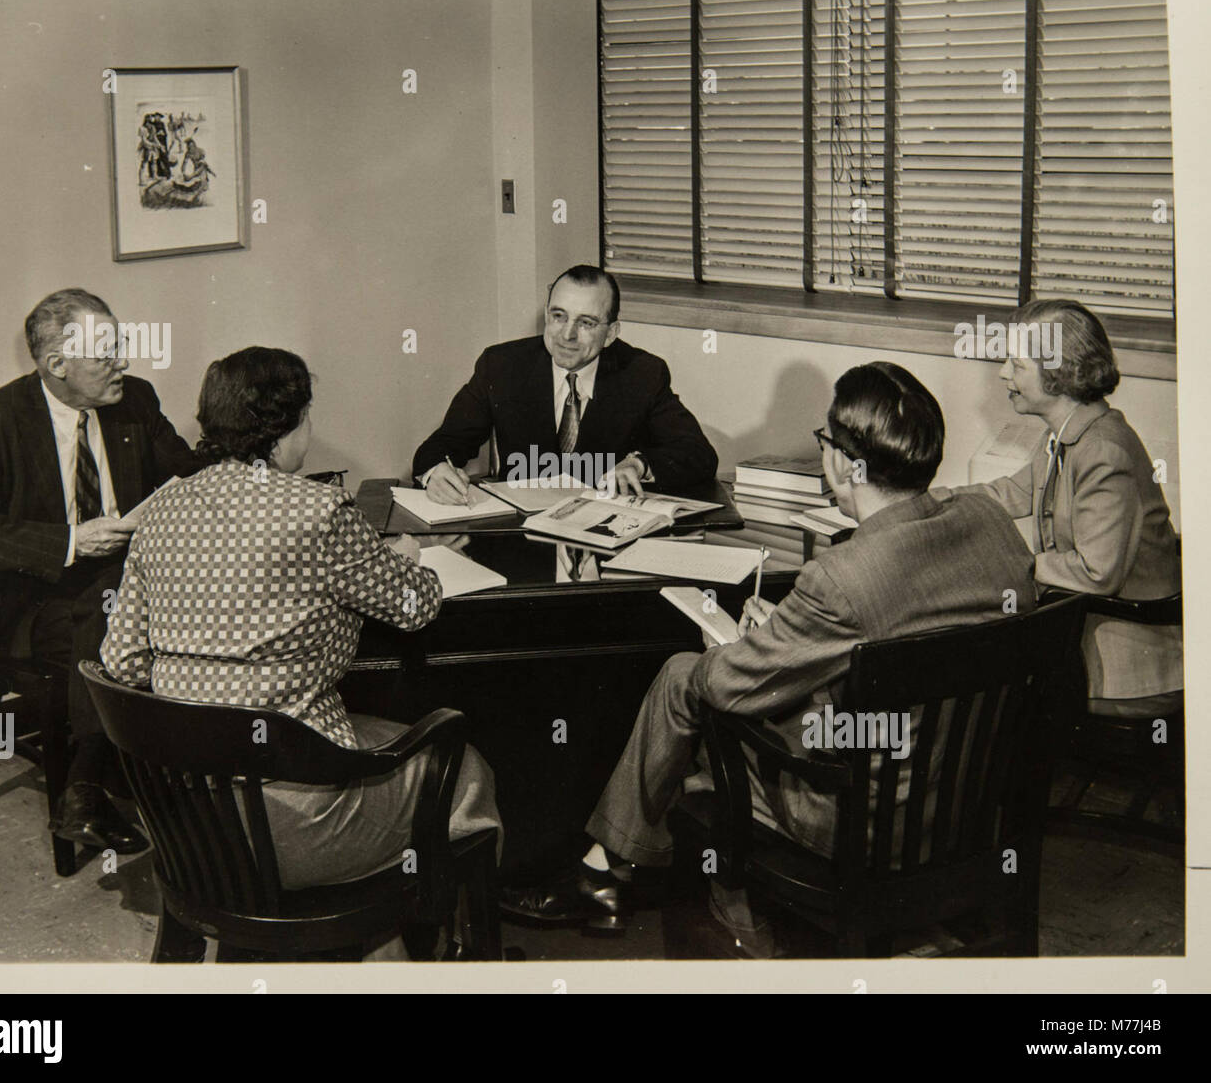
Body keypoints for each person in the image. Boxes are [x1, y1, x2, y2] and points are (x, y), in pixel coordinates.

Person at [499, 362, 1036, 949]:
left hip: (862, 822)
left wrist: (734, 651)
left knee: (688, 679)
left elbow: (730, 687)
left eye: (825, 441)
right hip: (972, 807)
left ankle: (626, 873)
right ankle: (618, 862)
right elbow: (904, 624)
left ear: (840, 462)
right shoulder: (989, 522)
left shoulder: (840, 576)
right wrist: (789, 633)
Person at [100, 347, 501, 908]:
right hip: (295, 829)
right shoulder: (320, 510)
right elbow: (412, 605)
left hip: (189, 823)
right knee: (468, 767)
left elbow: (121, 663)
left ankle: (380, 946)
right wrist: (411, 556)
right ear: (283, 427)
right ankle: (433, 938)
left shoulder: (161, 512)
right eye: (307, 417)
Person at [0, 287, 200, 855]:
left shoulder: (135, 399)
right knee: (115, 602)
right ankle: (111, 778)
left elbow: (184, 472)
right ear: (56, 365)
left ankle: (92, 781)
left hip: (120, 588)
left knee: (124, 597)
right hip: (30, 605)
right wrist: (70, 541)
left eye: (121, 346)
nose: (123, 363)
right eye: (105, 351)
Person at [959, 298, 1182, 716]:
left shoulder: (1102, 450)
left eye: (1016, 364)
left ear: (1058, 376)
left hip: (1124, 664)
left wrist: (1014, 562)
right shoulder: (1072, 434)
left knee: (971, 673)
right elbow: (1009, 492)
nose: (1004, 373)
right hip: (1087, 633)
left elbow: (1098, 574)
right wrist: (920, 500)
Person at [412, 264, 718, 501]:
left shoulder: (641, 373)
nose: (567, 335)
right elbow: (443, 444)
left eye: (586, 323)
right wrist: (436, 472)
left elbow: (697, 454)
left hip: (603, 542)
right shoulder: (502, 366)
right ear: (546, 315)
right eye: (559, 316)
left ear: (611, 333)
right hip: (522, 540)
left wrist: (638, 465)